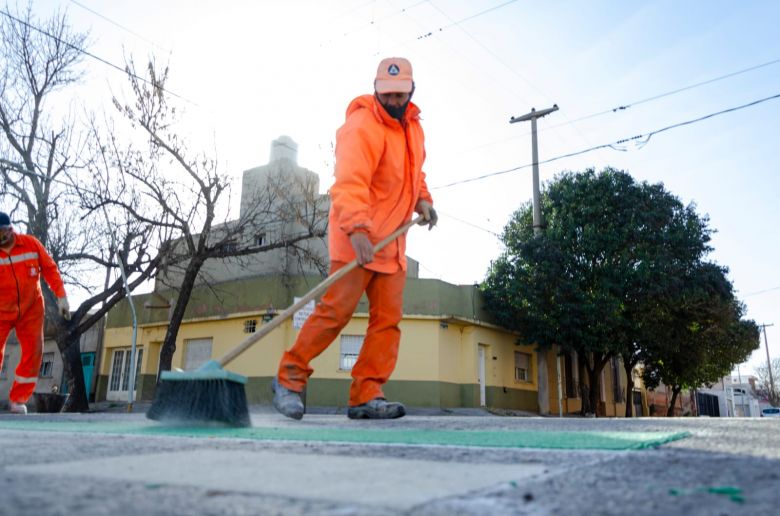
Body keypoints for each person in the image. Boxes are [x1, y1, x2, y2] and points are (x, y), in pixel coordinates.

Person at [272, 57, 437, 420]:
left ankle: (366, 393)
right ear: (376, 90)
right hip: (355, 235)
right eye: (387, 94)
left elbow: (414, 171)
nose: (394, 101)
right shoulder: (361, 126)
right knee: (335, 313)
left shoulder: (413, 128)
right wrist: (359, 229)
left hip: (391, 242)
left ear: (411, 91)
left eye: (400, 94)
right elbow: (349, 183)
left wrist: (423, 199)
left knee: (387, 322)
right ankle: (289, 378)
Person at [0, 211, 70, 414]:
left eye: (2, 232)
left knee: (34, 352)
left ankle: (17, 399)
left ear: (9, 229)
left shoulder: (31, 244)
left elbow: (50, 269)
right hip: (1, 311)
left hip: (31, 310)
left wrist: (61, 297)